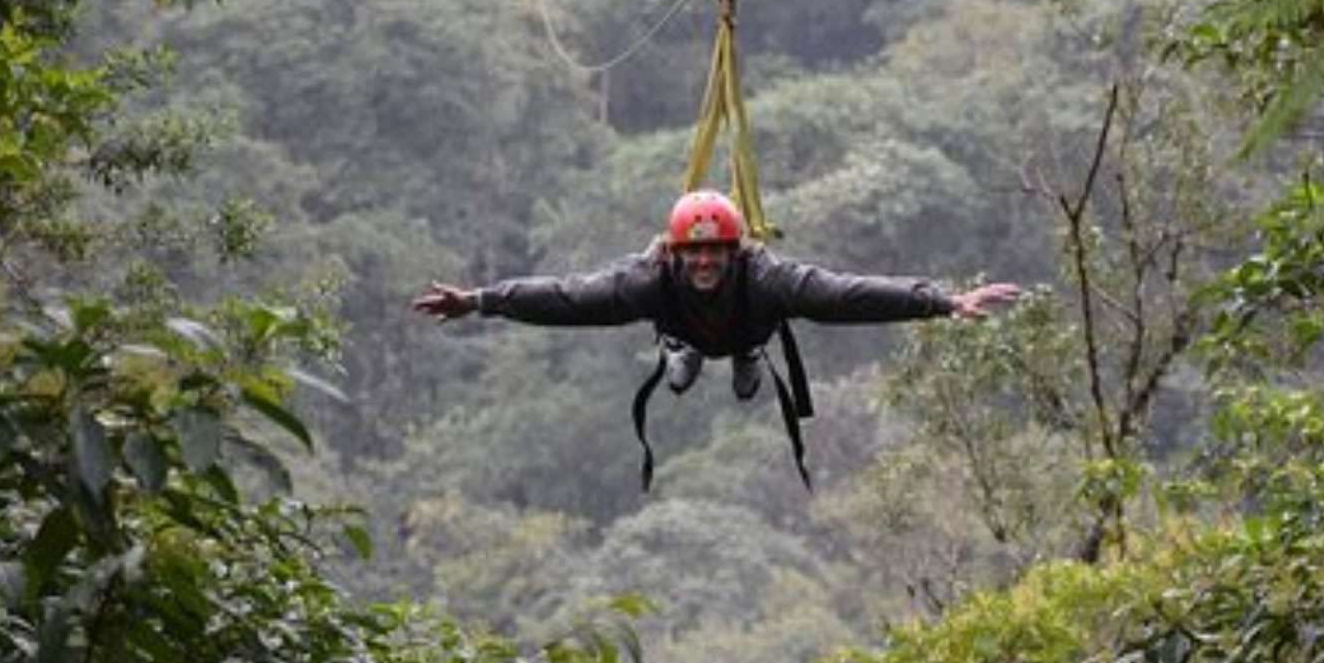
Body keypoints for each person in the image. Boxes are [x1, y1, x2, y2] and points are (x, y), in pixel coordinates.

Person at [411, 189, 1020, 488]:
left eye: (714, 250)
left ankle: (744, 352)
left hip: (748, 324)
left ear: (732, 251)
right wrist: (482, 301)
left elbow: (844, 296)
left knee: (763, 330)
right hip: (685, 327)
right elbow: (569, 298)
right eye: (693, 250)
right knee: (675, 342)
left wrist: (943, 302)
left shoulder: (768, 279)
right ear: (677, 253)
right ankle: (688, 349)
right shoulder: (650, 280)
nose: (703, 260)